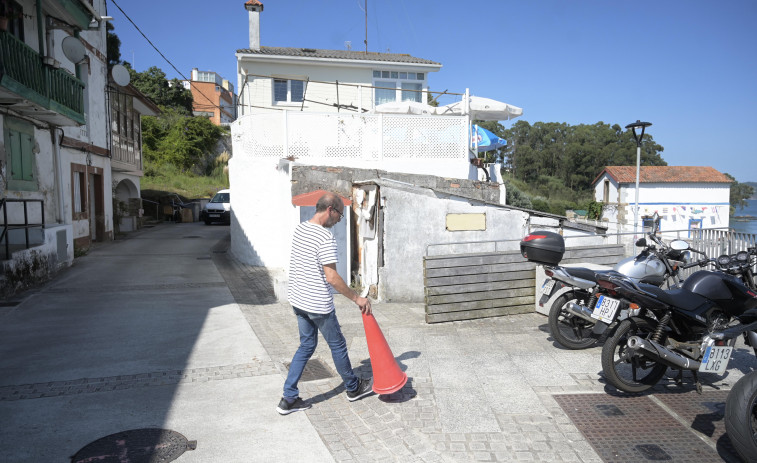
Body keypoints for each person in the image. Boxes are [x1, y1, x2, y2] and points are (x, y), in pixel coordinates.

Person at [277, 192, 374, 415]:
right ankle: (353, 388)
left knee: (306, 346)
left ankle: (288, 398)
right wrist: (357, 298)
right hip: (318, 304)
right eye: (339, 214)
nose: (340, 219)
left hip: (299, 300)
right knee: (338, 345)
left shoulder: (301, 228)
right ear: (330, 209)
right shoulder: (324, 237)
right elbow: (331, 277)